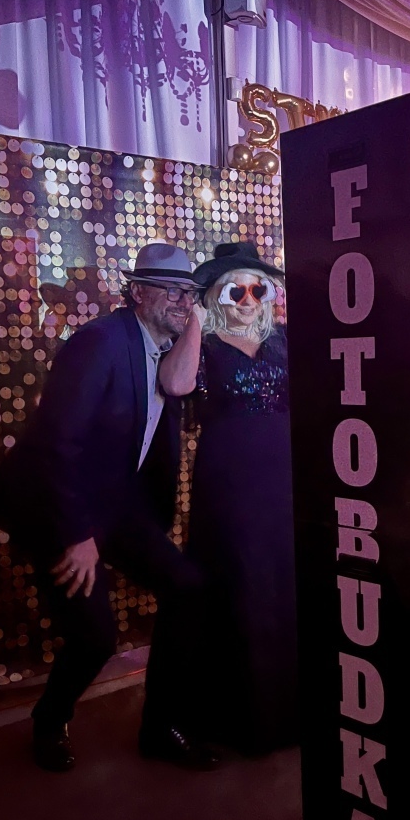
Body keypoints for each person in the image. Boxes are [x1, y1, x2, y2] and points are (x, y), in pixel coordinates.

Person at [0, 243, 222, 772]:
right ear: (136, 292)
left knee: (188, 588)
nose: (182, 301)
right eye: (169, 290)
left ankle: (161, 728)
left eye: (188, 292)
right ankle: (49, 720)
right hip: (59, 504)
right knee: (95, 637)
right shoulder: (98, 343)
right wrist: (77, 534)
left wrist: (194, 325)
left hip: (113, 503)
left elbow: (180, 387)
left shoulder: (171, 346)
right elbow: (57, 446)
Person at [159, 241, 298, 753]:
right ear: (216, 294)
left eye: (257, 289)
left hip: (284, 478)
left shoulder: (283, 340)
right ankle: (241, 720)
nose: (247, 299)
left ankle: (289, 715)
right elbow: (176, 385)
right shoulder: (206, 343)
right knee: (240, 583)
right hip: (230, 483)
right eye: (235, 290)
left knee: (284, 583)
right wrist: (197, 323)